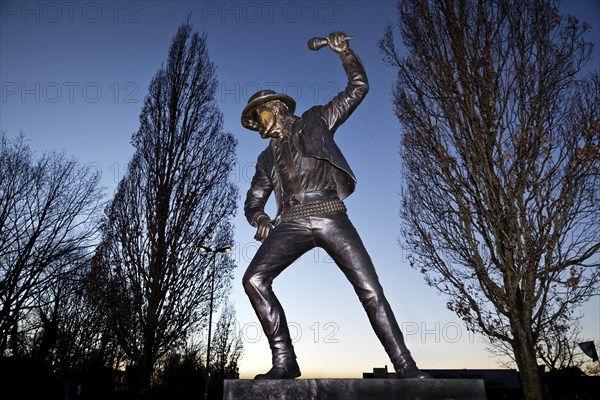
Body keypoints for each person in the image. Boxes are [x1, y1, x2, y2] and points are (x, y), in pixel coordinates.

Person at [241, 31, 429, 380]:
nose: (255, 124)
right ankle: (285, 361)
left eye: (257, 116)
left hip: (329, 214)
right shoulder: (265, 158)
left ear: (274, 108)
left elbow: (357, 89)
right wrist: (261, 217)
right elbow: (253, 200)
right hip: (291, 223)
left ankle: (405, 365)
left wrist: (345, 54)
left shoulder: (315, 120)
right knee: (253, 278)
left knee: (369, 288)